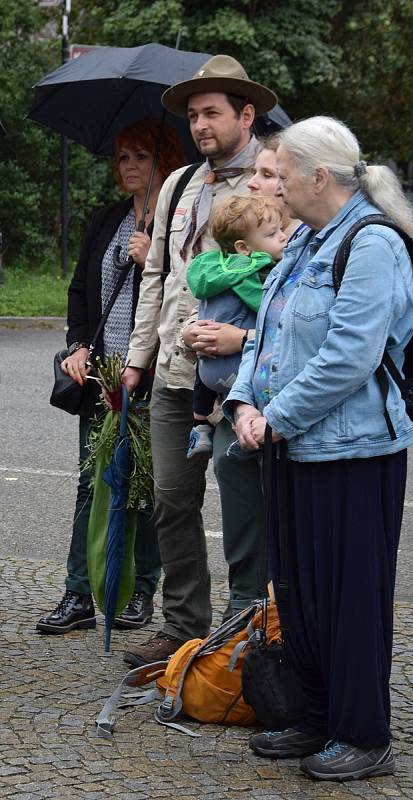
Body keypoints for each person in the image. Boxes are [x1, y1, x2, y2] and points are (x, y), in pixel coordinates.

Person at [225, 116, 413, 782]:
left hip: (357, 454)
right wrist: (245, 403)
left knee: (351, 597)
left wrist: (275, 417)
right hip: (293, 449)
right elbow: (265, 332)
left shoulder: (371, 244)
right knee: (302, 595)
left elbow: (350, 356)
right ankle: (313, 716)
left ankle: (363, 734)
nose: (271, 185)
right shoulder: (307, 239)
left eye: (280, 174)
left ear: (317, 176)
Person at [119, 55, 279, 667]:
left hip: (244, 384)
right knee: (170, 500)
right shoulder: (179, 183)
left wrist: (244, 342)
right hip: (174, 376)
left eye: (212, 112)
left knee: (245, 513)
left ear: (246, 114)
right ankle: (183, 625)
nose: (201, 125)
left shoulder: (270, 183)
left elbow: (288, 285)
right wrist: (138, 358)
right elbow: (156, 275)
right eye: (192, 115)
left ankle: (247, 632)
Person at [36, 118, 185, 635]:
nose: (129, 166)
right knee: (89, 484)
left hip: (154, 375)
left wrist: (156, 263)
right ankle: (78, 594)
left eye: (140, 156)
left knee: (144, 488)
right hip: (102, 373)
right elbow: (81, 292)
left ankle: (141, 590)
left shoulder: (180, 226)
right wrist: (77, 347)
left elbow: (191, 300)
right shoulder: (107, 220)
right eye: (123, 157)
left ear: (164, 161)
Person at [186, 194, 287, 458]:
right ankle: (244, 430)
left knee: (203, 369)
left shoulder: (211, 266)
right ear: (243, 247)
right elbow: (268, 308)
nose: (283, 237)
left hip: (207, 365)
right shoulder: (253, 272)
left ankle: (200, 424)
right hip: (237, 365)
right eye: (273, 233)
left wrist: (190, 330)